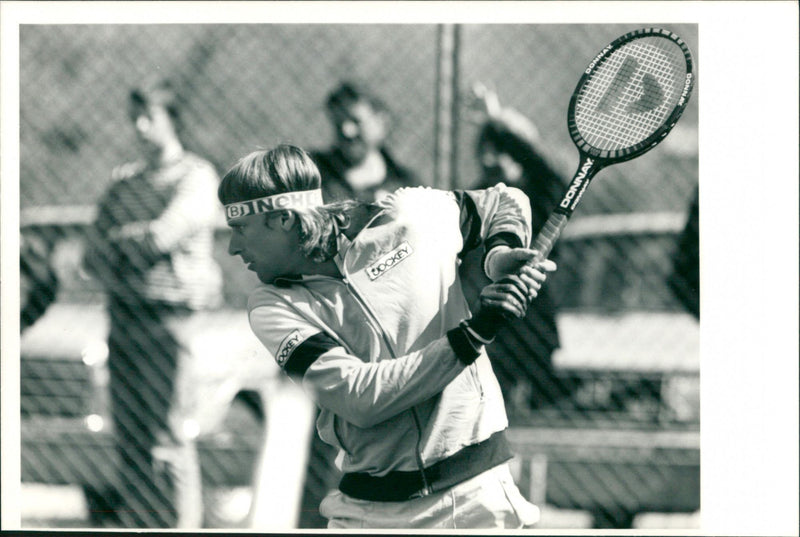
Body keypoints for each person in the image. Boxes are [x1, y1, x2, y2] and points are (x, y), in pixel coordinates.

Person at [218, 144, 557, 529]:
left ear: (281, 220)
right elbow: (360, 398)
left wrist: (498, 255)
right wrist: (472, 334)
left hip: (475, 495)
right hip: (367, 510)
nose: (232, 246)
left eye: (240, 228)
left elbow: (504, 201)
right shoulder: (271, 305)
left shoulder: (408, 216)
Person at [82, 78, 223, 528]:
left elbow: (162, 236)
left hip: (170, 324)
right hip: (123, 318)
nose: (140, 127)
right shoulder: (124, 181)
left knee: (168, 439)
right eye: (134, 118)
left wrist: (122, 241)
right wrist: (131, 242)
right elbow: (90, 254)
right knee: (132, 441)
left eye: (150, 117)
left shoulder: (197, 176)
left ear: (172, 119)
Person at [461, 83, 568, 413]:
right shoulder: (480, 195)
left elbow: (537, 156)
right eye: (487, 148)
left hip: (532, 314)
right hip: (490, 311)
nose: (491, 157)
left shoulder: (543, 190)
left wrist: (497, 118)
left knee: (542, 404)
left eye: (502, 148)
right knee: (490, 401)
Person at [311, 81, 417, 203]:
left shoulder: (405, 185)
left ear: (381, 122)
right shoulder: (315, 179)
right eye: (338, 123)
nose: (347, 131)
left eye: (356, 121)